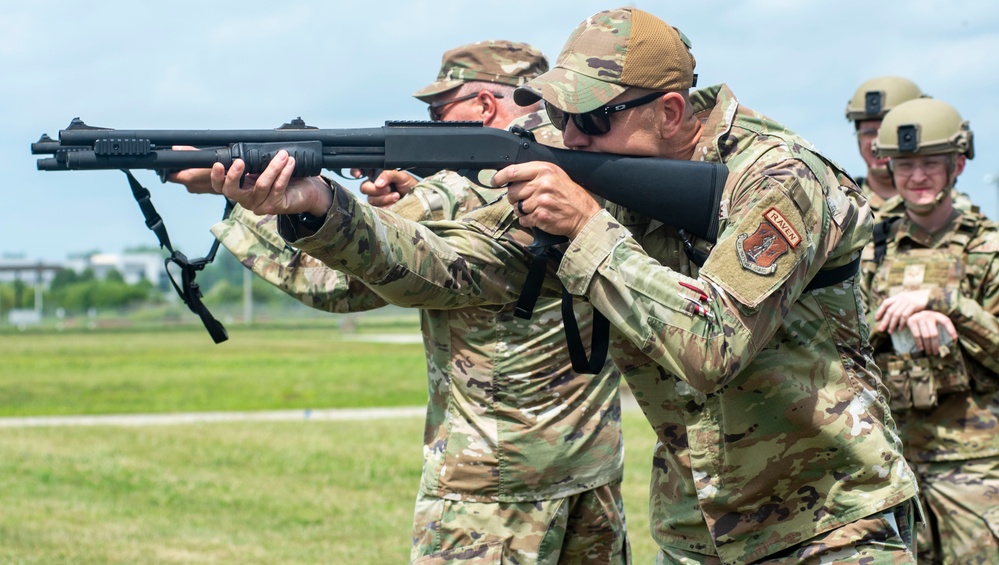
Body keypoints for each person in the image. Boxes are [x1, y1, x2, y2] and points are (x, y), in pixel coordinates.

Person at [212, 7, 921, 563]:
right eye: (559, 115)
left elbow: (712, 344)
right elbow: (457, 269)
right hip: (697, 531)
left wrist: (588, 231)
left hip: (829, 528)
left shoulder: (780, 180)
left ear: (670, 113)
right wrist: (319, 208)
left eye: (589, 119)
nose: (568, 138)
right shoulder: (594, 173)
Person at [172, 40, 631, 565]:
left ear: (484, 107)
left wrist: (241, 202)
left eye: (440, 111)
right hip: (590, 470)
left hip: (491, 492)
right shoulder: (580, 171)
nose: (431, 123)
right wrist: (409, 204)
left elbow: (335, 284)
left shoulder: (459, 190)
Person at [862, 97, 999, 564]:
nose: (917, 177)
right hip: (888, 463)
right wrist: (894, 316)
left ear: (957, 164)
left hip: (973, 468)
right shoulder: (869, 246)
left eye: (930, 165)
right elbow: (839, 341)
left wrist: (945, 306)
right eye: (905, 165)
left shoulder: (988, 249)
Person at [845, 76, 977, 223]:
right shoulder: (841, 206)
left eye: (888, 132)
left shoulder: (953, 211)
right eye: (869, 132)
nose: (878, 142)